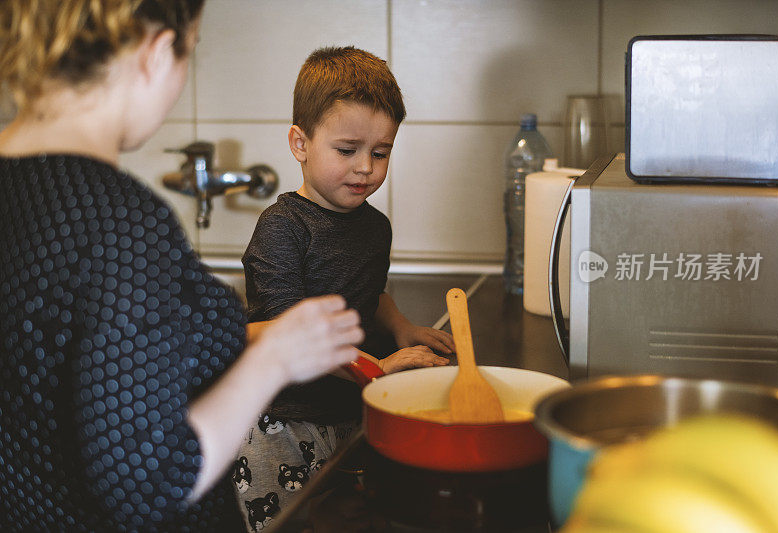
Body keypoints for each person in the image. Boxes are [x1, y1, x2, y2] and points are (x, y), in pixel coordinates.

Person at [0, 2, 364, 531]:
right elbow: (153, 483)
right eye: (188, 52)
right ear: (154, 53)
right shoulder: (120, 225)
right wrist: (277, 360)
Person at [236, 46, 455, 527]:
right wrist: (376, 366)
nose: (365, 168)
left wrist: (400, 327)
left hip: (348, 409)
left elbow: (367, 294)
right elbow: (289, 334)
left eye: (381, 153)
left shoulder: (374, 227)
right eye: (347, 150)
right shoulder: (283, 228)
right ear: (301, 144)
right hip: (284, 422)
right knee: (283, 523)